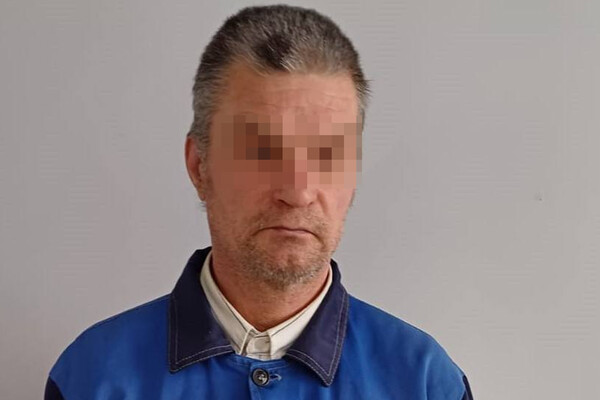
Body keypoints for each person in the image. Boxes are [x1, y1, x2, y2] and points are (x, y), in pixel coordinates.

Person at [45, 5, 473, 399]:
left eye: (328, 155)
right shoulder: (92, 377)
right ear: (199, 166)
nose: (298, 192)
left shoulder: (425, 383)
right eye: (263, 152)